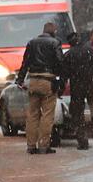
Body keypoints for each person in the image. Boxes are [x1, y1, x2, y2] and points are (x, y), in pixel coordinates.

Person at [16, 21, 64, 154]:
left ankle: (31, 146)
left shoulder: (32, 43)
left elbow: (25, 63)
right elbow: (60, 62)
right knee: (47, 115)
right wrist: (59, 78)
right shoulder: (55, 43)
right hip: (47, 81)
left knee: (32, 115)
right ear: (53, 31)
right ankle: (44, 145)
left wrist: (20, 79)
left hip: (33, 81)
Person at [63, 32, 93, 150]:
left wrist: (60, 88)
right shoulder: (91, 52)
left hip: (77, 88)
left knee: (78, 114)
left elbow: (64, 74)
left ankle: (82, 141)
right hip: (92, 86)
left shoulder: (69, 55)